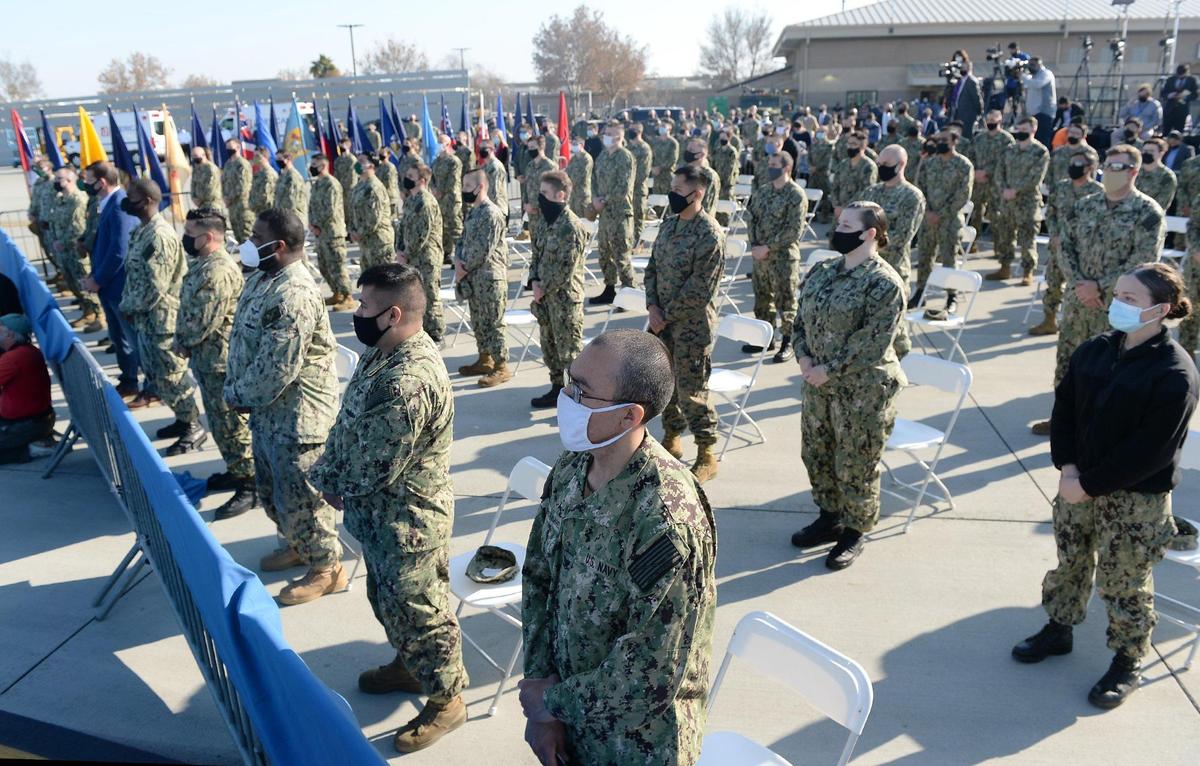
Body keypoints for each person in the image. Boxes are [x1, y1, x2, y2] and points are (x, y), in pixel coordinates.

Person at [519, 328, 716, 766]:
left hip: (636, 744)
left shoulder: (665, 520)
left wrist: (551, 703)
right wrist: (541, 689)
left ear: (630, 416)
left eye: (582, 392)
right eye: (571, 383)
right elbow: (538, 577)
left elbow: (650, 676)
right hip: (568, 716)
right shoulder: (574, 465)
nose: (566, 399)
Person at [1013, 262, 1198, 709]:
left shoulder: (1175, 372)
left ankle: (1127, 659)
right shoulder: (1095, 349)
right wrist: (1068, 467)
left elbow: (1149, 451)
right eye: (1118, 296)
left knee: (1124, 582)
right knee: (1070, 561)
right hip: (1078, 483)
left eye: (1130, 300)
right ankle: (1059, 628)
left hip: (1135, 499)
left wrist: (1089, 483)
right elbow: (1066, 411)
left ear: (1161, 311)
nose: (1118, 305)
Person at [310, 263, 468, 752]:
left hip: (409, 523)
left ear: (393, 313)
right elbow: (349, 422)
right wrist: (328, 472)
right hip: (381, 517)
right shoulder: (382, 353)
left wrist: (336, 483)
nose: (357, 313)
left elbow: (374, 464)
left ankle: (448, 699)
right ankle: (411, 665)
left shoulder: (409, 380)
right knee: (388, 601)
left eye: (364, 306)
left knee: (422, 611)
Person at [224, 209, 344, 604]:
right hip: (269, 414)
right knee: (273, 493)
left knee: (304, 501)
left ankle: (327, 569)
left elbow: (276, 368)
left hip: (298, 419)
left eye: (255, 234)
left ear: (276, 246)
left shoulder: (294, 293)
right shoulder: (264, 277)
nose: (247, 240)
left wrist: (238, 395)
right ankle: (298, 545)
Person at [791, 201, 906, 570]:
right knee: (817, 453)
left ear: (870, 233)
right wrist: (805, 358)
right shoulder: (824, 269)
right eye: (838, 223)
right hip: (818, 384)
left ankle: (855, 531)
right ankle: (830, 516)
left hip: (863, 391)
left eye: (846, 225)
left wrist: (829, 368)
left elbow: (873, 342)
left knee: (856, 462)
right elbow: (800, 320)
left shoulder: (884, 283)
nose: (838, 230)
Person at [1031, 145, 1166, 435]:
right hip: (1078, 302)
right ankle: (1064, 422)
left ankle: (1099, 431)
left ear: (1134, 171)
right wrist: (1081, 284)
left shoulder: (1148, 213)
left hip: (1116, 308)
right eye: (1108, 165)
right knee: (1068, 364)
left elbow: (1142, 263)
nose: (1109, 172)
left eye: (1117, 167)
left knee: (1110, 370)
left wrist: (1099, 287)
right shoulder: (1084, 206)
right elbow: (1064, 247)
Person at [173, 208, 256, 520]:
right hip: (209, 361)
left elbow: (203, 319)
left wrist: (182, 339)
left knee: (232, 425)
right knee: (220, 423)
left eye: (191, 233)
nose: (186, 238)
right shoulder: (204, 265)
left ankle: (250, 482)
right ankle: (236, 469)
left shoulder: (217, 270)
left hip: (221, 362)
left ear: (208, 237)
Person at [645, 165, 724, 483]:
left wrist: (665, 315)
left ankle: (707, 451)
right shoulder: (669, 226)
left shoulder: (710, 234)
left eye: (678, 190)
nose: (672, 194)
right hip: (661, 321)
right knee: (665, 385)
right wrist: (652, 306)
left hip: (691, 326)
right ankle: (672, 437)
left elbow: (700, 289)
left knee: (692, 391)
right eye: (672, 188)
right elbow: (652, 268)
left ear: (697, 193)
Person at [121, 179, 207, 454]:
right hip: (147, 319)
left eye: (131, 196)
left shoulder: (158, 235)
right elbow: (134, 276)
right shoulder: (142, 232)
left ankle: (193, 425)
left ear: (146, 201)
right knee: (157, 374)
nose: (126, 200)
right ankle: (182, 420)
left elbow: (154, 287)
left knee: (172, 375)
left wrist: (128, 306)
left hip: (162, 320)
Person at [528, 170, 589, 408]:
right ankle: (557, 389)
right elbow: (537, 254)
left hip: (564, 299)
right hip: (544, 297)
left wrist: (543, 288)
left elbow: (565, 267)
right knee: (550, 347)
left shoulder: (571, 226)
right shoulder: (545, 221)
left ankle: (579, 399)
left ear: (560, 195)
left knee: (569, 352)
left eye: (544, 193)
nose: (540, 198)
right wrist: (534, 281)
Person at [81, 162, 139, 398]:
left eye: (88, 180)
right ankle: (128, 380)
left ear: (101, 182)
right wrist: (94, 275)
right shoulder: (106, 204)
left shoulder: (118, 206)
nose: (85, 184)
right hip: (108, 286)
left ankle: (147, 385)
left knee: (131, 338)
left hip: (119, 287)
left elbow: (119, 250)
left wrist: (98, 279)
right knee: (118, 337)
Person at [1029, 152, 1103, 337]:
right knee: (1053, 283)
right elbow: (1051, 213)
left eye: (1078, 164)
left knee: (1078, 287)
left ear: (1090, 168)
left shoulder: (1099, 192)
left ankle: (1078, 326)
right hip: (1058, 247)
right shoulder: (1061, 187)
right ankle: (1049, 320)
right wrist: (1054, 234)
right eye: (1072, 163)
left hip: (1084, 252)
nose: (1073, 167)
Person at [862, 144, 926, 356]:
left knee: (894, 328)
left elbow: (902, 237)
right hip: (865, 267)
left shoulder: (912, 196)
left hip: (893, 269)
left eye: (886, 164)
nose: (881, 167)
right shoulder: (871, 191)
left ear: (901, 165)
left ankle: (900, 363)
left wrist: (867, 243)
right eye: (879, 163)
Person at [746, 151, 807, 362]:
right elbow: (751, 218)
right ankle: (766, 338)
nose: (769, 168)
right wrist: (755, 245)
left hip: (783, 258)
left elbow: (794, 230)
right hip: (760, 257)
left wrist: (768, 247)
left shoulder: (796, 194)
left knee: (786, 302)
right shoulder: (763, 191)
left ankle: (788, 342)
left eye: (774, 164)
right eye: (769, 164)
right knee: (762, 299)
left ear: (786, 168)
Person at [454, 168, 511, 387]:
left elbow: (482, 248)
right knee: (478, 320)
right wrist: (459, 262)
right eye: (463, 186)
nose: (464, 191)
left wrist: (464, 266)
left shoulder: (491, 213)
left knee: (493, 322)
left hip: (489, 277)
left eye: (468, 187)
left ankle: (501, 365)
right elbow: (463, 241)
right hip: (473, 276)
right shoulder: (474, 212)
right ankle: (485, 358)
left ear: (481, 187)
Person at [914, 129, 973, 310]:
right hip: (928, 219)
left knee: (949, 259)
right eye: (938, 139)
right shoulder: (930, 164)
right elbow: (920, 188)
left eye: (945, 140)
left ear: (954, 142)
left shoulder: (963, 165)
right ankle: (920, 293)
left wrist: (941, 214)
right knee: (924, 256)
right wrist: (928, 212)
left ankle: (951, 296)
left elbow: (963, 195)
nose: (940, 143)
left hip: (949, 221)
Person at [987, 116, 1048, 285]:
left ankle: (1027, 272)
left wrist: (1016, 190)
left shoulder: (1040, 152)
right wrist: (1004, 189)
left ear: (1033, 130)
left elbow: (1036, 176)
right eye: (1019, 130)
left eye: (1025, 130)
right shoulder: (1009, 150)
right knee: (1005, 236)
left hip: (1027, 202)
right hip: (1007, 202)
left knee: (1027, 239)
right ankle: (1004, 268)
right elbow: (1000, 171)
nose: (1021, 133)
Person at [588, 121, 637, 305]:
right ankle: (609, 289)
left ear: (620, 136)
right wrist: (595, 199)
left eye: (611, 133)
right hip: (604, 215)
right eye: (606, 133)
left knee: (621, 255)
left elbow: (623, 187)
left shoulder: (625, 157)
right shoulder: (602, 156)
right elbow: (594, 180)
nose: (607, 136)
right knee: (604, 253)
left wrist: (604, 200)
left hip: (620, 213)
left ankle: (629, 294)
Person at [49, 165, 101, 331]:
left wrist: (62, 242)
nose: (55, 181)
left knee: (84, 284)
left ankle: (100, 317)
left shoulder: (78, 200)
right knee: (74, 284)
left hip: (75, 251)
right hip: (64, 252)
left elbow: (78, 228)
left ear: (70, 180)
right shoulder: (60, 199)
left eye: (59, 179)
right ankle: (88, 312)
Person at [397, 163, 446, 343]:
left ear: (422, 180)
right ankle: (422, 331)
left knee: (429, 295)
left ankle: (435, 333)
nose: (406, 178)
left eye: (411, 175)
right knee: (416, 295)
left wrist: (406, 253)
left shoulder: (425, 201)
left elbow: (421, 234)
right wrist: (400, 249)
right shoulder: (411, 200)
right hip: (412, 256)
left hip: (426, 257)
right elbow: (403, 227)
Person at [0, 314, 54, 465]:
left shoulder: (13, 358)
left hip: (28, 424)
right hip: (36, 420)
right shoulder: (27, 351)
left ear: (9, 334)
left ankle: (32, 449)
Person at [307, 154, 355, 310]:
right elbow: (312, 206)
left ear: (323, 166)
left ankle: (347, 296)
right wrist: (312, 224)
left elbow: (331, 210)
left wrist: (318, 225)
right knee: (324, 265)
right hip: (320, 232)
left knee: (337, 265)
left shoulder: (331, 184)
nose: (312, 167)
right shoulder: (317, 184)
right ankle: (337, 293)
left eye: (315, 164)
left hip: (332, 232)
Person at [968, 110, 1013, 235]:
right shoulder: (979, 138)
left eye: (993, 121)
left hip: (996, 183)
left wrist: (987, 172)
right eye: (988, 121)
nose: (990, 123)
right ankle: (973, 244)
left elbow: (1006, 161)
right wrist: (976, 172)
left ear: (1000, 121)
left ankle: (999, 247)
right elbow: (970, 157)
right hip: (979, 183)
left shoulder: (1007, 140)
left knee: (996, 215)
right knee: (975, 214)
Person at [349, 152, 394, 271]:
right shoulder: (359, 186)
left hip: (378, 243)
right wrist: (352, 230)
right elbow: (353, 210)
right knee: (369, 281)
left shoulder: (374, 187)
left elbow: (373, 218)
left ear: (372, 165)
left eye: (362, 161)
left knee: (382, 283)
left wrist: (359, 233)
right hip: (365, 242)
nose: (358, 164)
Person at [829, 130, 878, 223]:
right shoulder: (843, 164)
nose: (850, 147)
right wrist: (836, 205)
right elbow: (835, 186)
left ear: (862, 146)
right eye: (849, 143)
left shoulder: (869, 166)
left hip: (857, 213)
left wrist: (846, 208)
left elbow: (865, 191)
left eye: (854, 144)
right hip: (839, 212)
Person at [431, 135, 464, 260]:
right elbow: (431, 178)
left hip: (451, 199)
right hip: (438, 199)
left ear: (448, 144)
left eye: (441, 142)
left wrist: (442, 191)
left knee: (455, 227)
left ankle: (461, 255)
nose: (439, 144)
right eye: (438, 141)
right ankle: (446, 253)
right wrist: (433, 188)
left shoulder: (454, 161)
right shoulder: (436, 161)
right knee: (442, 227)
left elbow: (454, 180)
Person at [522, 134, 557, 251]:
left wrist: (538, 207)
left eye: (533, 147)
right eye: (529, 147)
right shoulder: (529, 166)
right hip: (532, 215)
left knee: (546, 247)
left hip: (544, 214)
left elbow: (553, 192)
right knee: (535, 248)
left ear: (541, 147)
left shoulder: (549, 166)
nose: (530, 150)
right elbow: (526, 187)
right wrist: (525, 204)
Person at [945, 49, 983, 138]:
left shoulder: (971, 81)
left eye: (962, 62)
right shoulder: (956, 81)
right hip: (955, 116)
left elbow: (978, 101)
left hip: (967, 118)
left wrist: (977, 116)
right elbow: (949, 98)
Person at [221, 140, 254, 242]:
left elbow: (243, 186)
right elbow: (223, 182)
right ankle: (244, 257)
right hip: (232, 207)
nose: (229, 150)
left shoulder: (242, 164)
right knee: (238, 234)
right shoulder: (228, 164)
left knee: (246, 234)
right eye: (227, 148)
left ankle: (251, 258)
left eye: (231, 147)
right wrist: (225, 197)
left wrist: (229, 198)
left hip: (242, 205)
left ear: (238, 147)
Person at [626, 123, 654, 244]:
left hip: (637, 189)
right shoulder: (628, 148)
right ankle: (630, 241)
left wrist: (629, 183)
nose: (630, 132)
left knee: (638, 217)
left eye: (632, 130)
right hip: (627, 189)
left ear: (639, 132)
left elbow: (643, 172)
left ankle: (638, 244)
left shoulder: (644, 149)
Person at [1134, 138, 1177, 212]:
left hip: (1150, 216)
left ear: (1161, 153)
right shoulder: (1134, 171)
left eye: (1151, 151)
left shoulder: (1167, 176)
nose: (1146, 153)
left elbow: (1162, 203)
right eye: (1144, 151)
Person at [1023, 57, 1057, 146]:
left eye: (1032, 65)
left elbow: (1038, 84)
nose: (1030, 67)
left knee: (1043, 140)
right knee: (1034, 139)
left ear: (1039, 65)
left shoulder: (1046, 74)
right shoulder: (1032, 76)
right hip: (1034, 113)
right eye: (1029, 65)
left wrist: (1022, 76)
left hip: (1044, 112)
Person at [273, 150, 309, 231]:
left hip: (293, 219)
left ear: (288, 159)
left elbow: (293, 202)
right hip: (283, 218)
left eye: (280, 158)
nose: (277, 161)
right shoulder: (282, 175)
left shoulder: (293, 177)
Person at [1162, 64, 1198, 134]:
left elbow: (1195, 95)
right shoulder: (1170, 80)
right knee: (1165, 131)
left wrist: (1185, 97)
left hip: (1182, 110)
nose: (1180, 76)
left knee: (1179, 131)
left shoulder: (1192, 80)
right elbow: (1163, 93)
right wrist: (1170, 95)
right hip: (1169, 110)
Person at [190, 146, 225, 214]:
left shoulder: (211, 169)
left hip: (212, 205)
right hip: (201, 205)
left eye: (196, 156)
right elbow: (193, 185)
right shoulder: (196, 169)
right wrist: (194, 198)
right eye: (193, 156)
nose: (194, 158)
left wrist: (200, 199)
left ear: (203, 155)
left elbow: (211, 189)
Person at [565, 135, 593, 218]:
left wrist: (567, 182)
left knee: (583, 219)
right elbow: (567, 172)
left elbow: (582, 176)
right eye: (572, 144)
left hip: (582, 194)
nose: (573, 146)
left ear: (581, 145)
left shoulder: (586, 159)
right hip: (573, 194)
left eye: (575, 144)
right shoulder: (574, 158)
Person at [334, 137, 359, 227]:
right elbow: (336, 175)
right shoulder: (337, 161)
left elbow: (356, 174)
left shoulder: (353, 160)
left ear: (348, 146)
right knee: (342, 210)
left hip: (350, 189)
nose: (340, 148)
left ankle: (352, 228)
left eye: (342, 146)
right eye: (340, 146)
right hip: (341, 190)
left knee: (351, 210)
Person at [248, 148, 278, 217]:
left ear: (265, 157)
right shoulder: (259, 173)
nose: (255, 158)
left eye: (257, 156)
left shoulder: (269, 174)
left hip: (268, 212)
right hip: (259, 212)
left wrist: (253, 204)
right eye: (254, 156)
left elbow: (266, 197)